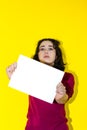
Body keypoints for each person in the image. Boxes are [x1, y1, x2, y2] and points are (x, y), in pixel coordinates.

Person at [6, 38, 75, 130]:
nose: (46, 51)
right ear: (38, 55)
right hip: (32, 127)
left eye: (50, 48)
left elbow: (62, 100)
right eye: (42, 49)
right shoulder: (30, 73)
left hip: (57, 127)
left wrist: (61, 95)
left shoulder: (67, 77)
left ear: (57, 55)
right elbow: (17, 80)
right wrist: (12, 76)